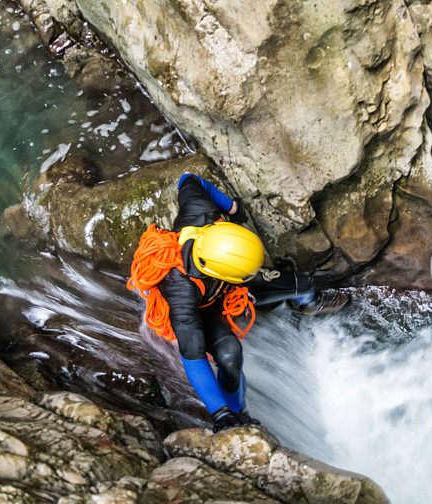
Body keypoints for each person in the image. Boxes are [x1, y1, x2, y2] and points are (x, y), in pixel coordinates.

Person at [127, 173, 347, 432]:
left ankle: (309, 303)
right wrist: (218, 411)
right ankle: (237, 413)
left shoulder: (201, 214)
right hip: (205, 307)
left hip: (229, 280)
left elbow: (188, 179)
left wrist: (233, 206)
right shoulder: (180, 293)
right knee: (230, 355)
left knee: (305, 283)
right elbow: (193, 356)